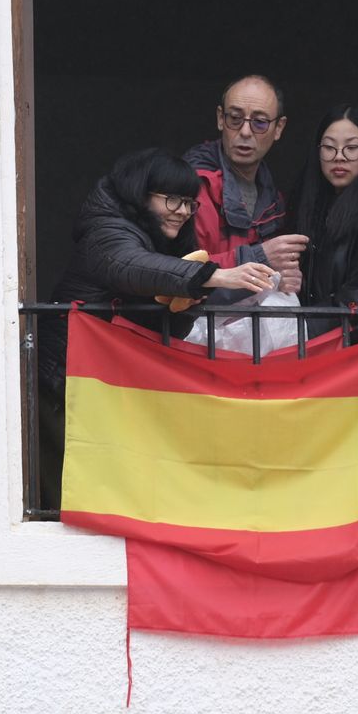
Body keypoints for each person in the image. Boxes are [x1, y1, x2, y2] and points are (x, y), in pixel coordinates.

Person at [36, 147, 276, 508]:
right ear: (140, 193)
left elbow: (163, 327)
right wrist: (215, 275)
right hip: (64, 383)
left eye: (189, 203)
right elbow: (131, 266)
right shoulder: (106, 232)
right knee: (72, 493)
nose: (182, 211)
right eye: (172, 200)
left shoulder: (163, 240)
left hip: (105, 387)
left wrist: (185, 306)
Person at [184, 75, 309, 299]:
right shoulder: (192, 185)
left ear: (279, 128)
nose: (245, 132)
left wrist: (283, 277)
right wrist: (260, 257)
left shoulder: (273, 198)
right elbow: (179, 271)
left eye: (259, 122)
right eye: (235, 118)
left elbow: (270, 271)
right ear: (220, 119)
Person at [292, 103, 358, 341]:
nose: (338, 156)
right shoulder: (313, 206)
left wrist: (294, 332)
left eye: (352, 148)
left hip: (355, 354)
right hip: (321, 348)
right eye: (329, 147)